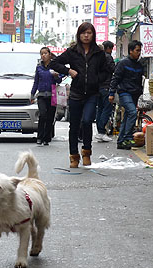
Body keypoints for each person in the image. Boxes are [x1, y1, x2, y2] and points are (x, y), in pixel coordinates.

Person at [50, 22, 109, 168]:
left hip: (92, 94)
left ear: (93, 35)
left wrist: (96, 79)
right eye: (84, 33)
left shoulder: (99, 53)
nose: (86, 36)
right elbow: (54, 63)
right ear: (79, 35)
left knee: (88, 121)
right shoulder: (72, 52)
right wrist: (68, 71)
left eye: (89, 33)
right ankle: (74, 156)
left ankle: (87, 152)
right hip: (76, 93)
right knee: (74, 125)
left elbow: (107, 71)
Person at [109, 40, 144, 150]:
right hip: (124, 93)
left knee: (128, 116)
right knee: (133, 112)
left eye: (140, 50)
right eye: (137, 50)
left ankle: (121, 141)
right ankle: (128, 137)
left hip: (134, 94)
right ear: (130, 51)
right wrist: (111, 93)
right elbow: (116, 78)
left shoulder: (139, 65)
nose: (139, 53)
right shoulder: (123, 63)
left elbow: (140, 80)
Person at [31, 47, 61, 146]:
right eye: (41, 54)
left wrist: (56, 76)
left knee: (50, 117)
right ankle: (39, 137)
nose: (43, 55)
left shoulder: (55, 66)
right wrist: (32, 94)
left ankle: (47, 138)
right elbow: (36, 81)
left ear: (49, 54)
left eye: (45, 53)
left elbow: (59, 80)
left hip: (52, 95)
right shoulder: (39, 67)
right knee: (43, 115)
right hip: (41, 95)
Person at [94, 41, 115, 142]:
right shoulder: (107, 57)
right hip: (106, 86)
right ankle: (102, 131)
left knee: (100, 109)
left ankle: (99, 132)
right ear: (108, 48)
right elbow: (113, 69)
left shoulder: (95, 58)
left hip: (98, 87)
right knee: (107, 109)